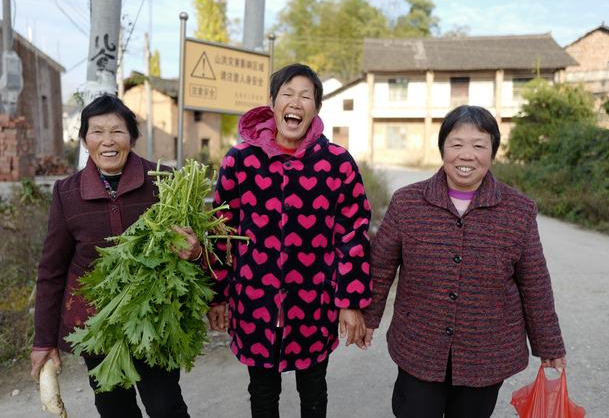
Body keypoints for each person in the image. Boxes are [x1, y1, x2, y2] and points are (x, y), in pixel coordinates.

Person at [362, 105, 566, 418]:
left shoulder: (519, 210)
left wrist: (549, 345)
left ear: (493, 152)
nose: (466, 155)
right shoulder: (408, 202)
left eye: (479, 145)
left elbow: (534, 282)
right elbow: (381, 265)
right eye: (456, 144)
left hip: (486, 354)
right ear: (442, 148)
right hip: (419, 346)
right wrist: (367, 317)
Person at [208, 63, 372, 417]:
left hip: (314, 300)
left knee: (313, 390)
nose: (295, 102)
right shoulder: (240, 161)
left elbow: (353, 231)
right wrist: (217, 295)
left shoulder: (336, 163)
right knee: (262, 393)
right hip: (255, 300)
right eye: (287, 94)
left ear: (315, 108)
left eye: (305, 96)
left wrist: (349, 299)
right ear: (272, 102)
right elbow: (220, 230)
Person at [30, 95, 199, 418]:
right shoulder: (67, 192)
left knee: (166, 406)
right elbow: (51, 270)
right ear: (84, 139)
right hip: (97, 321)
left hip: (155, 315)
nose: (107, 141)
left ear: (132, 138)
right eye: (97, 132)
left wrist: (195, 251)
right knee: (114, 408)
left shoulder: (164, 182)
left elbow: (200, 249)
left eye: (117, 131)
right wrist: (43, 341)